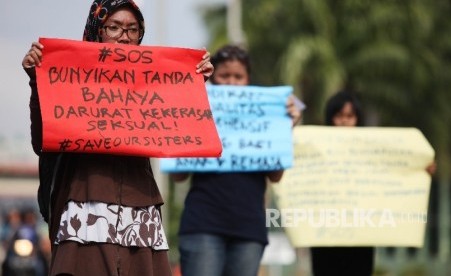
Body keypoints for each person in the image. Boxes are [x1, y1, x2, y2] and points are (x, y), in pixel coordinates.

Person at [21, 1, 213, 275]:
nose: (124, 36)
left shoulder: (153, 83)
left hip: (139, 204)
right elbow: (42, 140)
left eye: (132, 29)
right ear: (97, 31)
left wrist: (193, 81)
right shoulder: (70, 78)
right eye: (114, 27)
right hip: (87, 202)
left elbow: (178, 123)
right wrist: (36, 80)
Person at [171, 45, 302, 276]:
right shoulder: (197, 111)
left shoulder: (263, 117)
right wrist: (186, 122)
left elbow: (276, 176)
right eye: (224, 76)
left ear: (248, 80)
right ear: (213, 79)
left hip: (248, 229)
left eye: (238, 77)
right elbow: (178, 175)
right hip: (202, 224)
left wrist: (283, 130)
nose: (231, 82)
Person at [309, 90, 437, 276]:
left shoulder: (371, 152)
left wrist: (421, 169)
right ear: (330, 119)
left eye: (349, 116)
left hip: (361, 234)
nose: (344, 121)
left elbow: (393, 175)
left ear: (357, 119)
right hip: (325, 234)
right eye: (339, 116)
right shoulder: (315, 148)